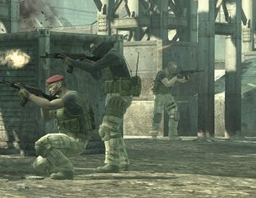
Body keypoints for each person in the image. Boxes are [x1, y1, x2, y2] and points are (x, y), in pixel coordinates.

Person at [65, 37, 140, 173]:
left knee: (107, 129)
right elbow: (97, 75)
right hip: (114, 94)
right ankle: (123, 161)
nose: (93, 51)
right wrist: (85, 63)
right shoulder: (109, 57)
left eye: (94, 48)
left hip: (119, 95)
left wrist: (74, 62)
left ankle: (112, 163)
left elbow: (94, 67)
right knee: (113, 129)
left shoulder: (113, 55)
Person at [18, 75, 91, 180]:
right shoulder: (57, 100)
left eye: (51, 86)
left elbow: (49, 105)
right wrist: (41, 99)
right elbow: (47, 117)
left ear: (59, 84)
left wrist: (29, 95)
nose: (49, 89)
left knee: (43, 143)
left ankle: (66, 170)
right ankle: (58, 168)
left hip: (77, 140)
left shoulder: (72, 96)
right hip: (65, 141)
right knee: (38, 166)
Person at [151, 62, 188, 139]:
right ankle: (154, 135)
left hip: (168, 96)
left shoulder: (171, 75)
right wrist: (175, 78)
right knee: (157, 116)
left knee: (174, 114)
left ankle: (173, 135)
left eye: (175, 68)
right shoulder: (162, 73)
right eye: (173, 68)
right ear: (168, 67)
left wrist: (187, 76)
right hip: (160, 96)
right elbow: (167, 84)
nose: (174, 70)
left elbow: (183, 81)